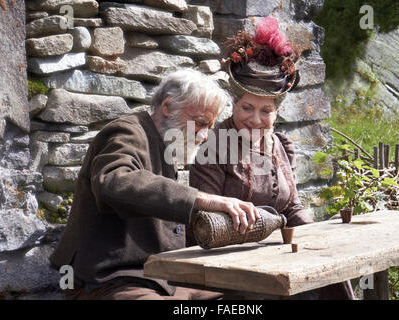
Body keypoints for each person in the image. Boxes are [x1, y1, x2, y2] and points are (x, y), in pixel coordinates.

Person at [49, 69, 261, 300]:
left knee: (252, 291)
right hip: (105, 279)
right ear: (168, 106)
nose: (203, 136)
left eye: (209, 127)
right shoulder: (126, 132)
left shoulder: (166, 143)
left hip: (157, 274)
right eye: (200, 123)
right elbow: (114, 180)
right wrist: (202, 199)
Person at [189, 17, 355, 300]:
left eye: (266, 111)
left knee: (332, 275)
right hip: (227, 266)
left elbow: (291, 207)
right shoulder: (215, 145)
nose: (255, 119)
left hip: (277, 259)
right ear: (234, 105)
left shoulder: (280, 145)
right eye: (247, 108)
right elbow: (204, 221)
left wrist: (320, 240)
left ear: (277, 113)